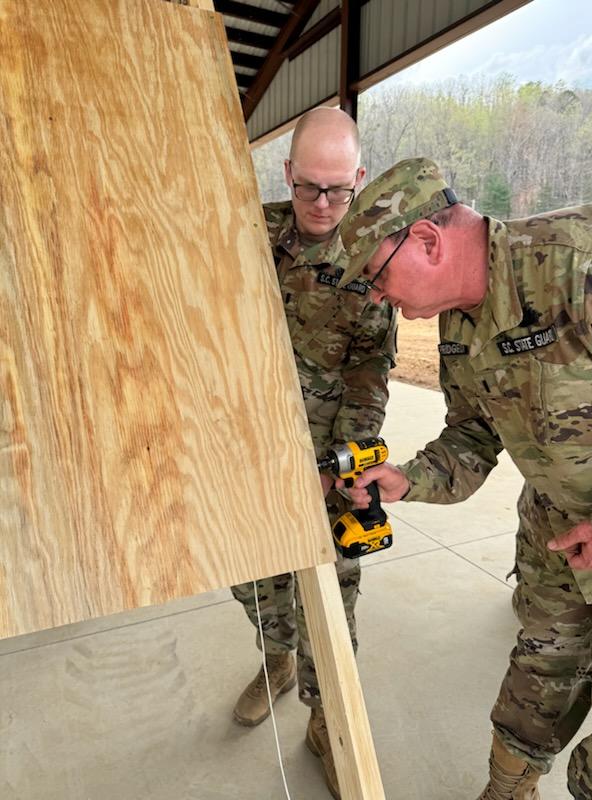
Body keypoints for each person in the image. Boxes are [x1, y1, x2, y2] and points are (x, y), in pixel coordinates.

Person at [335, 156, 592, 800]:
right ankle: (508, 790)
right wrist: (407, 480)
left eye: (375, 274)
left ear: (426, 241)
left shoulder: (577, 260)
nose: (375, 296)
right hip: (555, 536)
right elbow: (473, 437)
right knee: (539, 674)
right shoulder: (458, 324)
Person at [230, 108, 396, 799]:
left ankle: (327, 719)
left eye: (338, 190)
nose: (323, 206)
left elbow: (369, 377)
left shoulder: (372, 258)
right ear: (288, 173)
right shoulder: (245, 231)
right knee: (249, 577)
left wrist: (343, 467)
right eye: (309, 189)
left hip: (328, 459)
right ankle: (275, 657)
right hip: (246, 450)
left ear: (358, 179)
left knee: (334, 602)